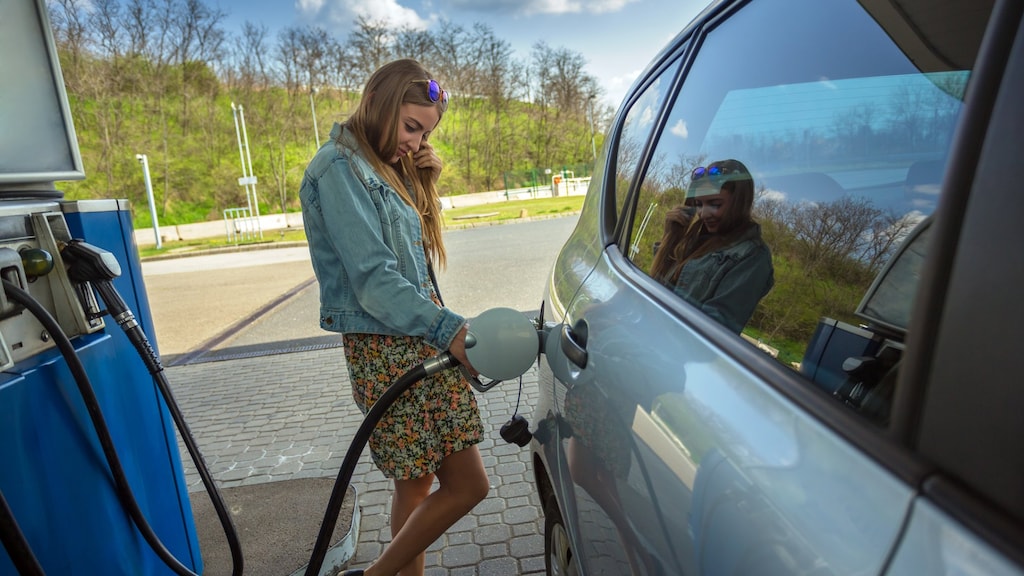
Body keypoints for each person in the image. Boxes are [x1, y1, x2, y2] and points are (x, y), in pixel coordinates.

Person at [299, 59, 489, 576]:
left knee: (421, 483)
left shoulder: (382, 165)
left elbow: (416, 260)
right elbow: (374, 280)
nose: (415, 141)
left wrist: (423, 178)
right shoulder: (339, 167)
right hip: (388, 348)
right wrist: (452, 331)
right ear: (379, 102)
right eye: (411, 127)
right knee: (461, 484)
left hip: (415, 336)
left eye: (424, 133)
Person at [650, 158, 774, 333]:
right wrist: (670, 237)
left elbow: (714, 328)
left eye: (715, 204)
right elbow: (657, 283)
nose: (703, 214)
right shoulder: (694, 237)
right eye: (699, 204)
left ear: (739, 203)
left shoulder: (752, 256)